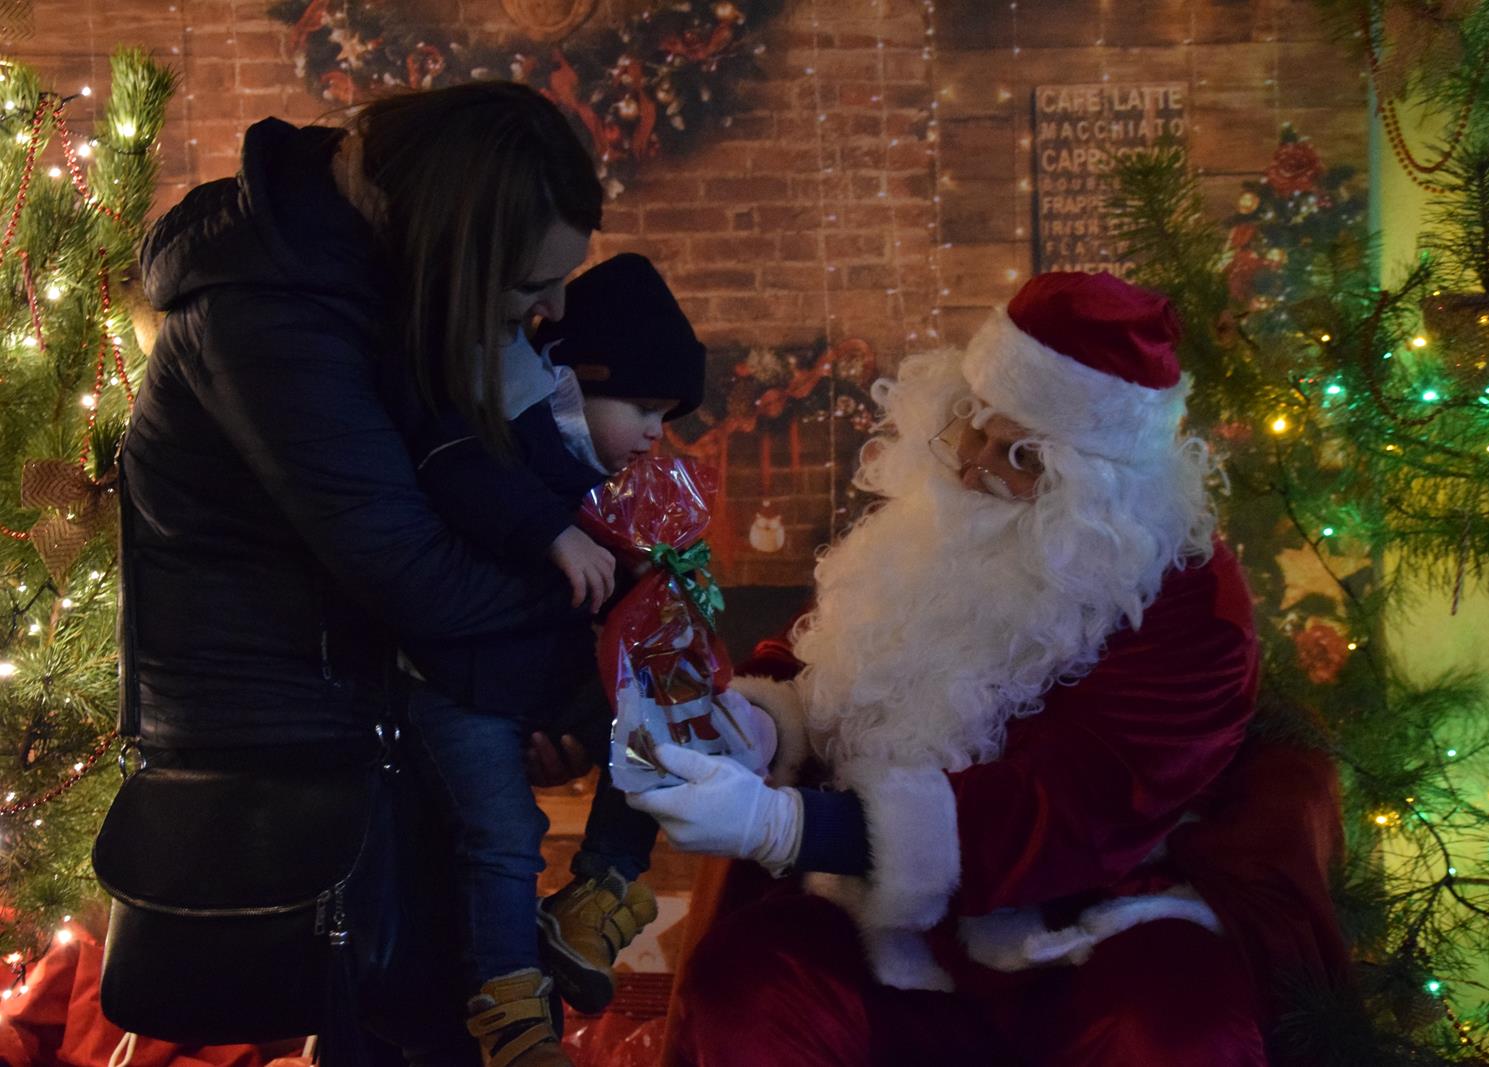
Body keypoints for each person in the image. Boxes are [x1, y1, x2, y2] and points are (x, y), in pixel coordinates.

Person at [627, 272, 1349, 1065]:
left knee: (1177, 1030)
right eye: (970, 422)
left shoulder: (1186, 598)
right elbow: (832, 662)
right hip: (887, 919)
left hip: (1088, 921)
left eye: (1020, 453)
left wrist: (788, 826)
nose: (970, 465)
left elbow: (1072, 812)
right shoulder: (945, 510)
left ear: (1100, 487)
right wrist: (761, 722)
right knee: (751, 982)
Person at [123, 83, 608, 1062]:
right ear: (448, 244)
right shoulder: (272, 320)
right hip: (301, 746)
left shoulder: (343, 278)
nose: (554, 312)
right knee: (423, 1024)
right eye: (527, 287)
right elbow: (413, 572)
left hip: (373, 708)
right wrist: (599, 618)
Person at [400, 252, 768, 1064]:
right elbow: (460, 476)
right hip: (460, 690)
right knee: (501, 833)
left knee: (657, 729)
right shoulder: (502, 435)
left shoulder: (614, 475)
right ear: (571, 379)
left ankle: (600, 887)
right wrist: (554, 533)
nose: (651, 431)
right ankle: (511, 1012)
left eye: (663, 415)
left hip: (541, 686)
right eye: (639, 405)